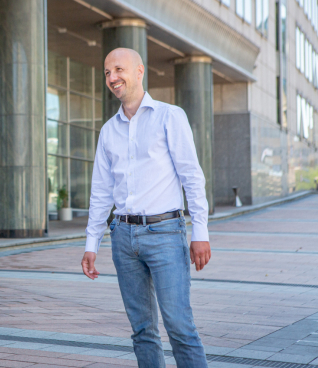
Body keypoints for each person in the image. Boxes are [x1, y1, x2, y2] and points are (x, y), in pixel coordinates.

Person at [81, 48, 211, 368]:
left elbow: (191, 177)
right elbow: (100, 191)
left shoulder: (170, 116)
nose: (112, 78)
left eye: (119, 70)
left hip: (165, 231)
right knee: (142, 331)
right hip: (123, 237)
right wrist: (91, 243)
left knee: (179, 326)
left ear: (140, 71)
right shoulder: (108, 130)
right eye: (107, 72)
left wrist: (201, 232)